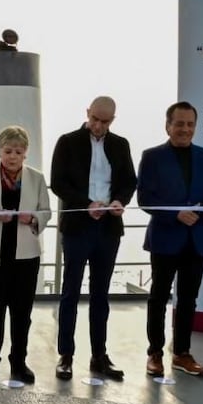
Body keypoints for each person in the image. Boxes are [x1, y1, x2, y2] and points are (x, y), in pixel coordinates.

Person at [50, 95, 137, 381]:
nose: (99, 125)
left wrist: (118, 201)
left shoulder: (120, 145)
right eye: (95, 119)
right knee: (70, 291)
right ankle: (66, 355)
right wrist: (87, 204)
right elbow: (59, 181)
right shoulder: (67, 141)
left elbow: (128, 182)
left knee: (101, 294)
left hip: (108, 228)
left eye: (105, 121)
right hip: (77, 225)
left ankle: (99, 356)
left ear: (113, 120)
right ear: (87, 113)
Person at [137, 102, 203, 378]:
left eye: (190, 124)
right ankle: (155, 353)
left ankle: (182, 354)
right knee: (158, 297)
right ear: (168, 125)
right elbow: (145, 199)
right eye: (180, 124)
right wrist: (176, 214)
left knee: (189, 299)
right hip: (165, 238)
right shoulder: (151, 157)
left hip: (197, 239)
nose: (185, 129)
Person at [0, 125, 51, 385]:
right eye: (7, 151)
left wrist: (33, 218)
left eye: (18, 151)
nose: (12, 156)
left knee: (21, 312)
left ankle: (18, 362)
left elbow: (46, 211)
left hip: (25, 255)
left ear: (26, 153)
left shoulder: (36, 178)